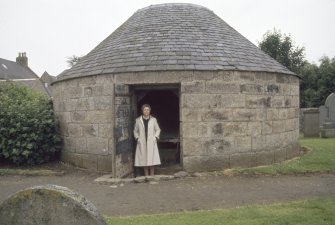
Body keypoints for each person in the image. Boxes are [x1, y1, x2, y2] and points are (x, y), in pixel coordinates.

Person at [133, 104, 161, 176]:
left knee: (152, 159)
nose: (146, 111)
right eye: (145, 110)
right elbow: (135, 131)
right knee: (144, 160)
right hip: (142, 142)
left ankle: (152, 176)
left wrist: (155, 137)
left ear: (150, 111)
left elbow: (158, 129)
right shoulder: (138, 120)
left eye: (147, 110)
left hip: (151, 142)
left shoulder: (153, 120)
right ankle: (146, 176)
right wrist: (137, 138)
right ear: (142, 111)